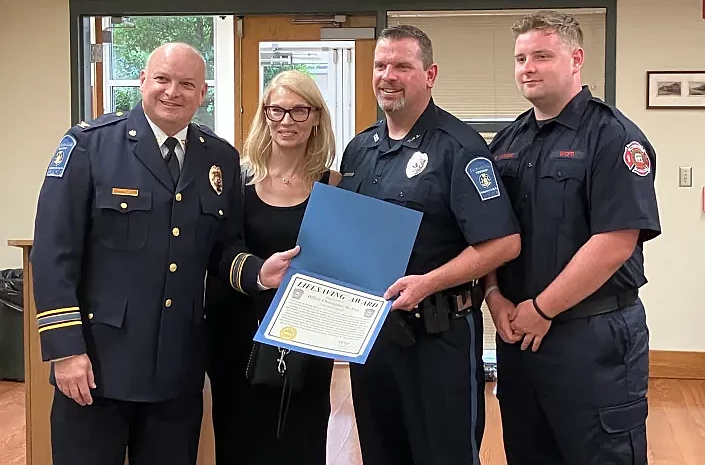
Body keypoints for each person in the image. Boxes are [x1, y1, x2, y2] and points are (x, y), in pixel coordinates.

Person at [30, 42, 297, 465]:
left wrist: (258, 273)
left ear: (202, 93)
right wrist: (66, 351)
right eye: (163, 80)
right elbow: (53, 255)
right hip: (98, 366)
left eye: (187, 84)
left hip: (177, 370)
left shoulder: (220, 158)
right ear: (143, 81)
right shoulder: (90, 146)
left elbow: (224, 249)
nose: (173, 92)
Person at [338, 25, 522, 465]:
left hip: (439, 335)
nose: (388, 75)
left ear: (430, 74)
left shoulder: (460, 148)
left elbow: (503, 244)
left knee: (444, 455)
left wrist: (427, 282)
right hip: (374, 334)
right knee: (381, 451)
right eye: (380, 66)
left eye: (402, 65)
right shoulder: (359, 148)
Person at [485, 10, 661, 465]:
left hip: (592, 337)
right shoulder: (508, 142)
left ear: (576, 58)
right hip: (520, 334)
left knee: (601, 454)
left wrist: (544, 308)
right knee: (527, 450)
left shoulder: (614, 137)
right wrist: (494, 295)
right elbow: (491, 233)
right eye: (521, 57)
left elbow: (615, 241)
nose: (528, 67)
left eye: (542, 55)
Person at [206, 70, 341, 464]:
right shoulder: (235, 182)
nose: (287, 121)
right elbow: (217, 252)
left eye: (300, 110)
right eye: (277, 110)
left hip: (305, 338)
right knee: (240, 441)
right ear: (265, 115)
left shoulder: (334, 184)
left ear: (316, 117)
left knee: (302, 440)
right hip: (238, 336)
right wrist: (259, 273)